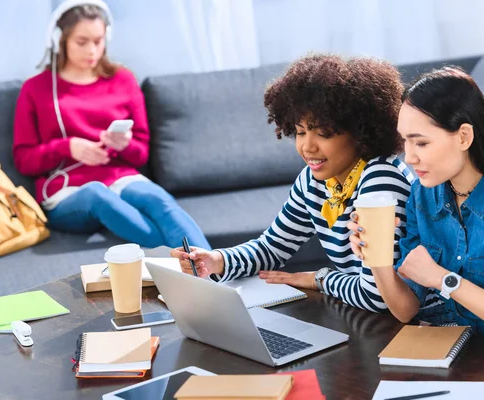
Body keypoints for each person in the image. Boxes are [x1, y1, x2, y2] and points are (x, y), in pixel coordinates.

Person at [171, 54, 414, 312]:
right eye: (300, 132)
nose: (307, 147)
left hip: (411, 326)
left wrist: (319, 279)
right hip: (363, 314)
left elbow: (377, 297)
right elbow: (272, 248)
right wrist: (216, 260)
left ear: (360, 133)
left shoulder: (380, 181)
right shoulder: (315, 181)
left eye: (324, 133)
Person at [348, 66, 484, 354]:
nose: (409, 157)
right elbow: (405, 309)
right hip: (460, 350)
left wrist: (442, 279)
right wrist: (377, 257)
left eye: (421, 142)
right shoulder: (422, 196)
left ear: (463, 137)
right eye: (405, 142)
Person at [13, 0, 210, 250]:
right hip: (67, 191)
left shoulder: (123, 80)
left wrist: (124, 145)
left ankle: (215, 274)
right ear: (59, 40)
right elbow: (23, 159)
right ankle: (181, 266)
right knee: (98, 194)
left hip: (120, 178)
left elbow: (141, 153)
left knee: (157, 199)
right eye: (82, 42)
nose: (92, 50)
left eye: (98, 40)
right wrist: (67, 147)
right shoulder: (36, 89)